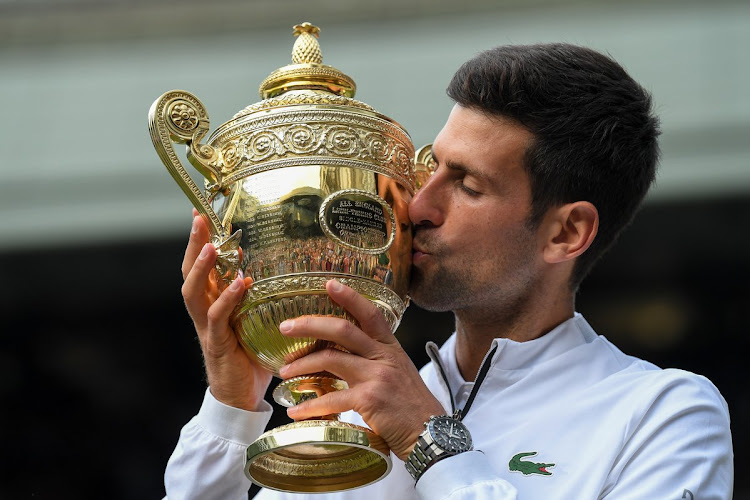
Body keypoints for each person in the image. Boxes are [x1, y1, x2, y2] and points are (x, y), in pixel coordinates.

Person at [164, 43, 733, 499]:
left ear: (566, 233)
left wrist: (429, 442)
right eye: (430, 167)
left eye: (468, 185)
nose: (416, 207)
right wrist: (231, 409)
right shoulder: (352, 414)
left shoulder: (664, 413)